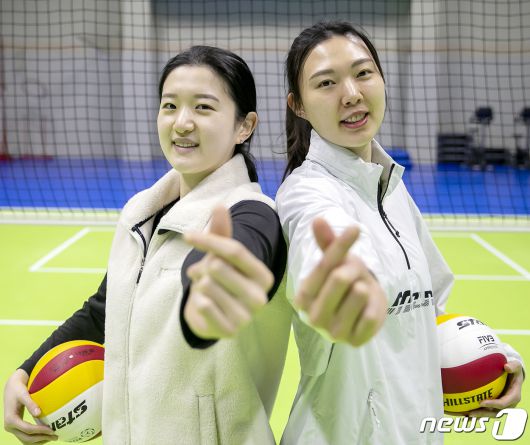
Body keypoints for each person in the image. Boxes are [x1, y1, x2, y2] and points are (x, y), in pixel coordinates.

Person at [3, 45, 292, 445]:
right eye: (170, 106)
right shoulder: (141, 213)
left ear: (245, 126)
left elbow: (247, 248)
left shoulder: (253, 214)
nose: (182, 123)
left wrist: (218, 281)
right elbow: (102, 312)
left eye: (203, 108)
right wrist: (25, 372)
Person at [275, 21, 525, 444]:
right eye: (327, 83)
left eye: (363, 73)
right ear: (298, 105)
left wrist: (496, 361)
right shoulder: (306, 195)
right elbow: (322, 260)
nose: (351, 94)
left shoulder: (391, 188)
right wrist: (337, 289)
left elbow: (431, 307)